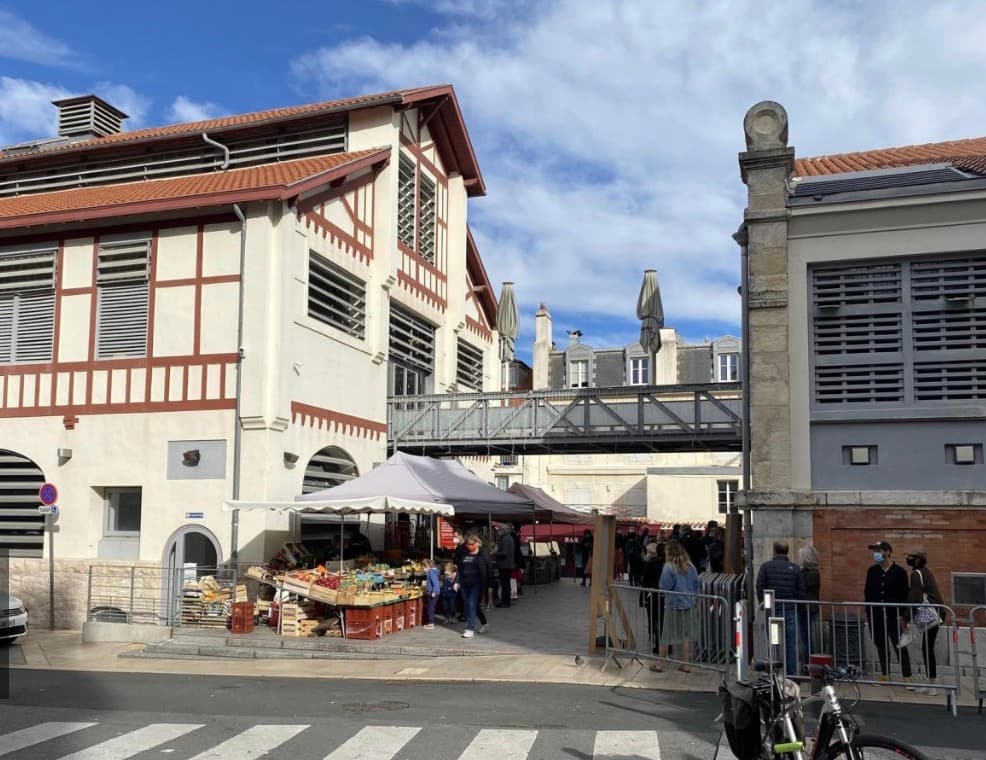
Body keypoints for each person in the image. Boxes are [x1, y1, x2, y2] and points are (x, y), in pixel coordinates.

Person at [864, 540, 912, 682]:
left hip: (894, 615)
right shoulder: (872, 571)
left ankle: (907, 675)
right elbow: (868, 592)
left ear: (888, 552)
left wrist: (901, 614)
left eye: (879, 551)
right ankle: (885, 673)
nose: (876, 554)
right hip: (876, 614)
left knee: (899, 645)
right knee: (880, 644)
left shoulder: (900, 572)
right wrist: (869, 610)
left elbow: (904, 594)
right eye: (875, 551)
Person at [756, 541, 805, 675]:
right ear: (787, 551)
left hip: (773, 611)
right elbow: (801, 590)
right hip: (790, 609)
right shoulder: (795, 568)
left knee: (774, 642)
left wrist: (764, 604)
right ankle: (791, 674)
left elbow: (760, 586)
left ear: (774, 551)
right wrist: (798, 606)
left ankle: (775, 671)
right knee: (790, 643)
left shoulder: (766, 567)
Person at [650, 540, 698, 673]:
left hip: (673, 605)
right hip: (688, 604)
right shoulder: (691, 566)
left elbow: (664, 586)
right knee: (685, 635)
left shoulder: (669, 567)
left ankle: (660, 663)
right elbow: (695, 585)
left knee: (666, 635)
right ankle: (686, 664)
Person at [905, 548, 942, 695]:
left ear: (918, 560)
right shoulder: (926, 572)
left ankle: (932, 683)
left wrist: (906, 618)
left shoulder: (916, 574)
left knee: (927, 649)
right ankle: (930, 682)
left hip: (930, 614)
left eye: (910, 557)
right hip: (936, 613)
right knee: (927, 648)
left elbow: (915, 598)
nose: (908, 559)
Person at [457, 533, 490, 638]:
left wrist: (489, 585)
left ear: (477, 544)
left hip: (477, 584)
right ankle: (484, 623)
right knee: (473, 605)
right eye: (468, 544)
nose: (469, 546)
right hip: (465, 583)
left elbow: (488, 571)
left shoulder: (483, 556)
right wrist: (458, 581)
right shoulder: (465, 554)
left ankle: (470, 628)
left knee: (471, 604)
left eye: (472, 544)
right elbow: (460, 568)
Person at [640, 541, 666, 654]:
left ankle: (658, 644)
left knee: (655, 620)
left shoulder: (651, 564)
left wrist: (643, 598)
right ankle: (666, 644)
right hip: (666, 596)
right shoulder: (670, 565)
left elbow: (645, 581)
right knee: (664, 620)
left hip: (653, 595)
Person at [797, 545, 821, 663]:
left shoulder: (811, 573)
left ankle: (808, 663)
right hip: (808, 607)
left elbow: (802, 588)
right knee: (806, 636)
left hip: (807, 608)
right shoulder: (810, 572)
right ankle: (807, 662)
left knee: (806, 637)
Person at [494, 524, 516, 607]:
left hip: (505, 565)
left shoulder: (506, 539)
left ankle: (506, 602)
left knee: (505, 584)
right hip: (507, 564)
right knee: (505, 583)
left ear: (504, 530)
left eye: (500, 529)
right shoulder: (508, 538)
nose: (499, 531)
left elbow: (504, 553)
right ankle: (505, 601)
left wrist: (495, 553)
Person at [422, 559, 440, 629]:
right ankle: (430, 622)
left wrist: (434, 592)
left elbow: (435, 583)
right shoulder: (434, 571)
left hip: (432, 593)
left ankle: (430, 623)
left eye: (424, 567)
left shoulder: (431, 572)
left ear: (428, 566)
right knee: (431, 607)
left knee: (430, 608)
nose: (423, 569)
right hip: (433, 592)